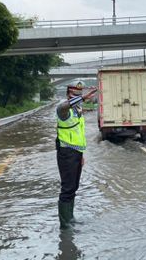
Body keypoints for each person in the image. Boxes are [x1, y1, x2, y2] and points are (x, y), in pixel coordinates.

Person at [56, 81, 97, 230]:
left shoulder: (77, 110)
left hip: (76, 153)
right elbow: (65, 106)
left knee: (74, 186)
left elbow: (78, 133)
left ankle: (70, 218)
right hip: (66, 152)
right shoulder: (63, 109)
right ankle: (65, 224)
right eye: (75, 94)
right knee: (67, 188)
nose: (78, 97)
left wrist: (81, 155)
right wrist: (84, 97)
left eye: (79, 94)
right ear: (68, 94)